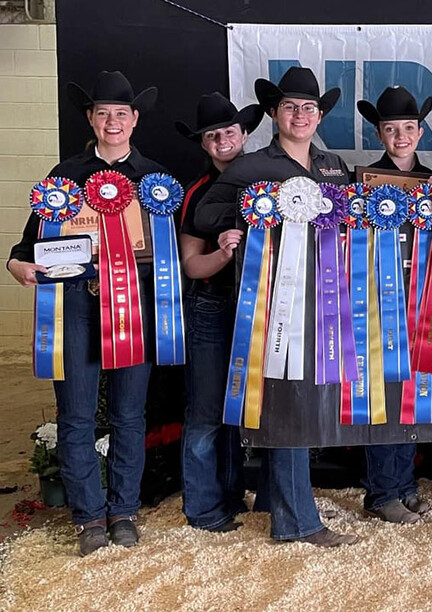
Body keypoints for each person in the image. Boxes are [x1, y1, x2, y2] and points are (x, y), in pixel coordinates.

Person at [192, 66, 359, 547]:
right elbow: (206, 212)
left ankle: (284, 509)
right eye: (290, 107)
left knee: (302, 408)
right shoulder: (253, 166)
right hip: (275, 306)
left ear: (320, 114)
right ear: (273, 114)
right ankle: (298, 522)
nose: (300, 115)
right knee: (287, 407)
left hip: (321, 303)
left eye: (309, 107)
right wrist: (253, 211)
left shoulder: (331, 166)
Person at [7, 71, 168, 556]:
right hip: (74, 305)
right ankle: (88, 517)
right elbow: (28, 241)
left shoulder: (155, 181)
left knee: (129, 415)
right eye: (103, 113)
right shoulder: (64, 176)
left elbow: (168, 255)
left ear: (135, 120)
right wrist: (16, 262)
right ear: (91, 119)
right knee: (76, 416)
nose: (113, 121)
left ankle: (123, 511)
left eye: (121, 113)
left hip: (133, 307)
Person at [174, 92, 263, 533]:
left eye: (229, 131)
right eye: (212, 136)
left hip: (266, 307)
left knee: (245, 409)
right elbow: (191, 264)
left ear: (244, 135)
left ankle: (233, 493)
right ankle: (205, 509)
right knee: (208, 410)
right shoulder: (197, 194)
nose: (222, 140)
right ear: (203, 144)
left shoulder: (268, 183)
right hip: (213, 304)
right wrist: (224, 256)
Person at [356, 86, 432, 523]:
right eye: (391, 129)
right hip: (379, 298)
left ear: (420, 132)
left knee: (411, 393)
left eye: (407, 128)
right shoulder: (364, 182)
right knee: (383, 392)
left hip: (422, 299)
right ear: (379, 135)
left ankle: (403, 484)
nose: (400, 137)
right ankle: (381, 491)